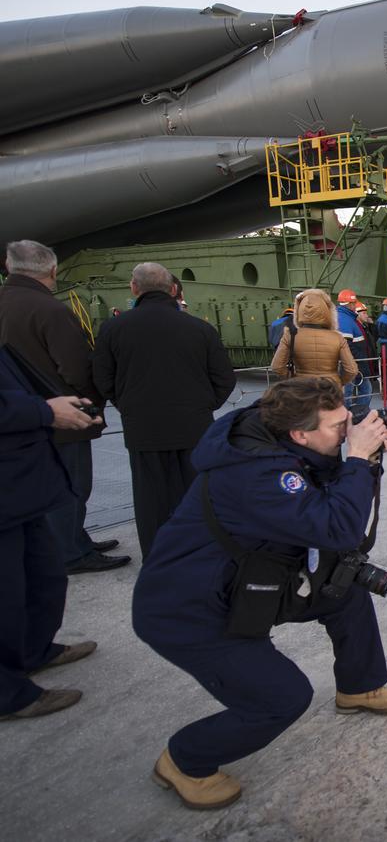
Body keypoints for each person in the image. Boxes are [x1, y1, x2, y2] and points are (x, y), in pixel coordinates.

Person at [132, 377, 387, 810]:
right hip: (189, 611)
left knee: (345, 593)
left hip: (248, 585)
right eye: (338, 426)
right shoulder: (255, 474)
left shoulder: (283, 444)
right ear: (300, 434)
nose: (349, 429)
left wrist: (364, 460)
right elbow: (337, 528)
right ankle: (185, 759)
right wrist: (356, 458)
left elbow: (333, 510)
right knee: (283, 699)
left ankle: (359, 687)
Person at [0, 240, 129, 574]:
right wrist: (92, 405)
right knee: (72, 485)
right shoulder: (50, 310)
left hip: (17, 415)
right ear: (53, 270)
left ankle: (74, 539)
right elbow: (75, 368)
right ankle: (71, 552)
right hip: (62, 415)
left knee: (40, 483)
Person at [92, 263, 237, 559]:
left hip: (143, 428)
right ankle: (198, 552)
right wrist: (203, 405)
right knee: (196, 494)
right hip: (193, 427)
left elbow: (103, 380)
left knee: (150, 499)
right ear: (173, 290)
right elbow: (225, 378)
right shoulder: (200, 329)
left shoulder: (113, 329)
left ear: (134, 288)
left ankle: (158, 557)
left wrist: (127, 404)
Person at [1, 345, 102, 721]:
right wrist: (45, 411)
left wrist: (52, 403)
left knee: (43, 575)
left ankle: (33, 649)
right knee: (6, 593)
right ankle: (9, 694)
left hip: (20, 483)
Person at [270, 289, 357, 389]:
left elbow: (277, 366)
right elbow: (351, 370)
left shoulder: (290, 335)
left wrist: (292, 379)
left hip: (302, 390)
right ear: (327, 310)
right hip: (330, 391)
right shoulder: (337, 337)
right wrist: (339, 382)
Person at [335, 289, 373, 412]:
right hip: (353, 364)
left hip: (355, 363)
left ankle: (355, 414)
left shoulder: (345, 317)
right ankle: (355, 415)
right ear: (350, 304)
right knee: (354, 391)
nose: (354, 305)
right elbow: (346, 345)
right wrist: (354, 363)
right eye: (353, 303)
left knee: (359, 389)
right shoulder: (344, 319)